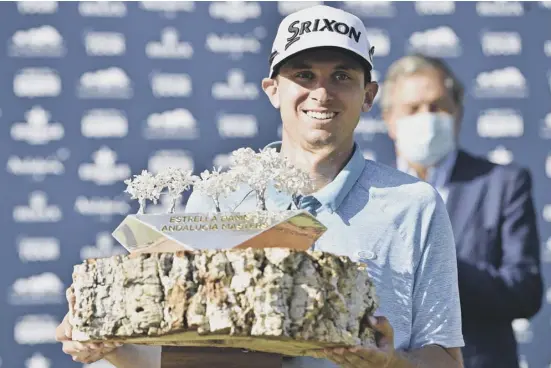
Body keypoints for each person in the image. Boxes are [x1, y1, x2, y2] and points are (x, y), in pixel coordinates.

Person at [56, 5, 465, 368]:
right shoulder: (217, 197)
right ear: (273, 90)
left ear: (369, 95)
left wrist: (390, 363)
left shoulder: (414, 204)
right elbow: (182, 356)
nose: (321, 93)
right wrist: (106, 346)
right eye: (303, 75)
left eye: (341, 75)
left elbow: (445, 358)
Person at [379, 53, 544, 368]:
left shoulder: (503, 183)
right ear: (389, 120)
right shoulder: (370, 191)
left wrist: (439, 265)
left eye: (437, 106)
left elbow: (525, 291)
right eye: (413, 109)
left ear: (457, 114)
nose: (426, 118)